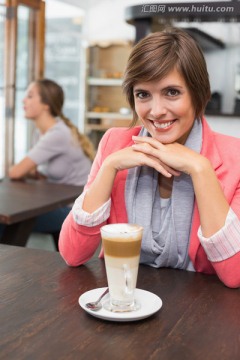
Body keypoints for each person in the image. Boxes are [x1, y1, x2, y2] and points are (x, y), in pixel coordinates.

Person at [59, 27, 240, 288]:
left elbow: (235, 275)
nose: (156, 111)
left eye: (172, 92)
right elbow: (72, 254)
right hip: (125, 303)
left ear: (199, 94)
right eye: (143, 94)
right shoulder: (115, 143)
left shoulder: (234, 157)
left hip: (200, 314)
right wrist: (109, 167)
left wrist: (200, 169)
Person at [7, 78, 95, 240]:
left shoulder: (57, 134)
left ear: (46, 105)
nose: (23, 100)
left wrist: (28, 172)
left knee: (9, 223)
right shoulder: (42, 132)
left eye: (30, 96)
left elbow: (15, 172)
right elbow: (33, 171)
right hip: (61, 202)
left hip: (73, 209)